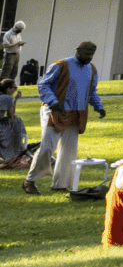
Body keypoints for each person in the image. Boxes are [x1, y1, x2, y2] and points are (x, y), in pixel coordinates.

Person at [24, 40, 105, 194]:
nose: (89, 57)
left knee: (69, 150)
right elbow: (43, 84)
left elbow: (92, 91)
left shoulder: (92, 70)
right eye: (87, 54)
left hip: (77, 114)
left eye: (92, 55)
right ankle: (29, 180)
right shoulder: (61, 65)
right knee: (47, 147)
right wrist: (52, 101)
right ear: (79, 51)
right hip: (54, 111)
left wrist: (99, 106)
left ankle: (61, 184)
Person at [1, 79, 29, 169]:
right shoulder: (7, 98)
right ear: (8, 89)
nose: (16, 89)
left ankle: (20, 149)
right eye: (14, 87)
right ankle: (21, 149)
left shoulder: (3, 97)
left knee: (16, 121)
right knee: (17, 120)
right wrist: (14, 100)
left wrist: (15, 99)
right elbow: (11, 115)